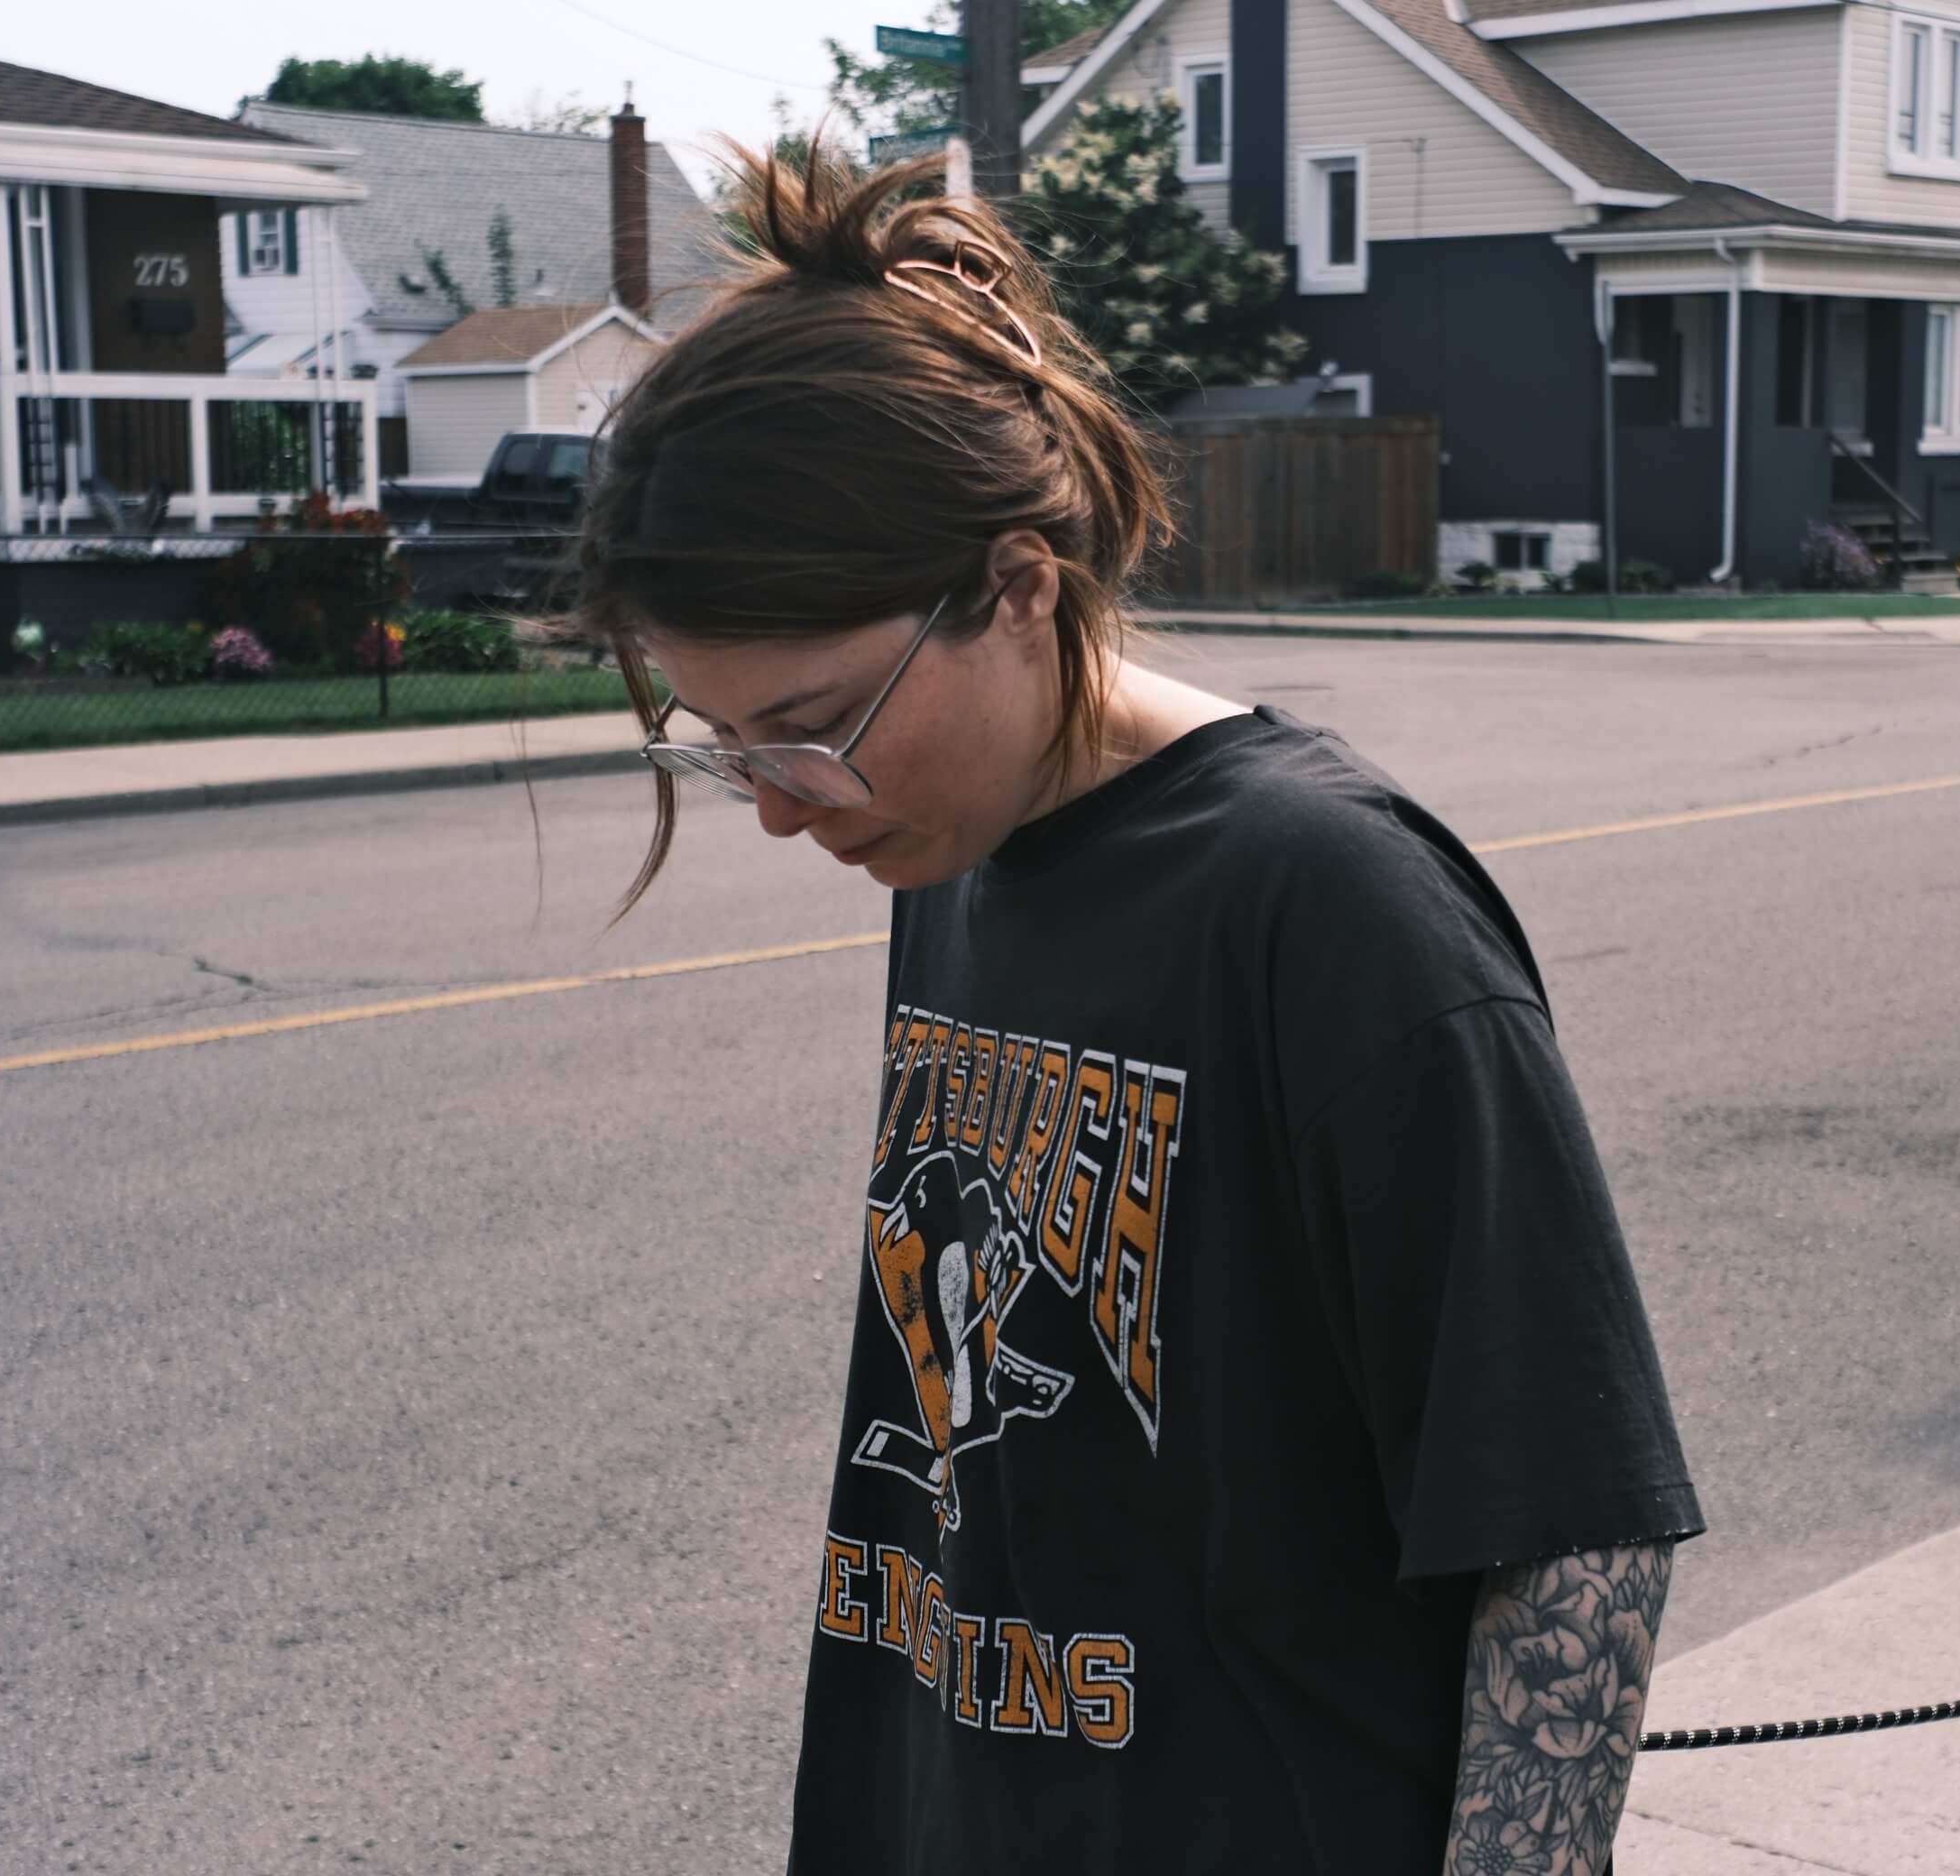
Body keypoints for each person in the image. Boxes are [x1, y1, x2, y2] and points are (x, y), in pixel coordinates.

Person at [565, 143, 1702, 1876]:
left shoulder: (1335, 906)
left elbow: (1573, 1526)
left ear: (1019, 588)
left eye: (809, 724)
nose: (783, 801)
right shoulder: (948, 837)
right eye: (727, 751)